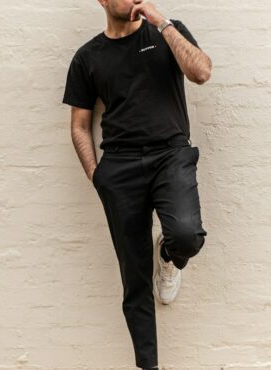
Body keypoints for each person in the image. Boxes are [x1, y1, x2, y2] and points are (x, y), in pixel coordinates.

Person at [62, 0, 212, 368]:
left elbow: (202, 72)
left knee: (187, 235)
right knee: (135, 279)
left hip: (170, 155)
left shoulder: (167, 31)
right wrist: (96, 175)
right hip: (119, 168)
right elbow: (80, 124)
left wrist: (161, 22)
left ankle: (169, 255)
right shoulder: (87, 56)